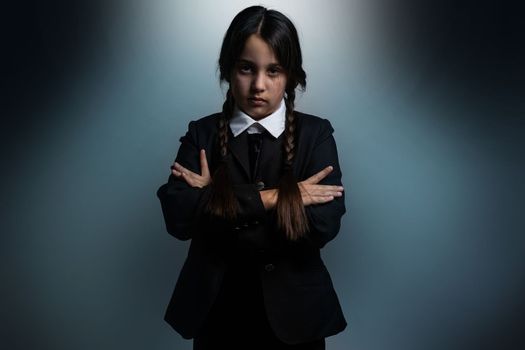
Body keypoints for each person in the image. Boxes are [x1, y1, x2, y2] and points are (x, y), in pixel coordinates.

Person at [157, 5, 347, 350]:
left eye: (273, 70)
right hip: (217, 316)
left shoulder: (315, 134)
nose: (259, 85)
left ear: (291, 75)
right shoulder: (202, 134)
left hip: (296, 321)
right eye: (247, 68)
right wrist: (277, 199)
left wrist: (215, 200)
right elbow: (178, 219)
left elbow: (323, 226)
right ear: (229, 69)